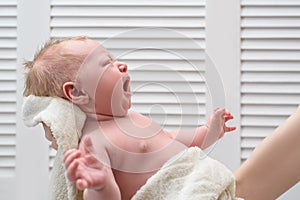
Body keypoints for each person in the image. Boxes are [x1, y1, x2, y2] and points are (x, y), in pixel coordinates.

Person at [24, 36, 300, 200]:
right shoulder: (94, 142)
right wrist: (99, 184)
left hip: (211, 186)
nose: (121, 65)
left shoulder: (134, 118)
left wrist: (207, 131)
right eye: (106, 63)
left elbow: (174, 142)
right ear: (77, 93)